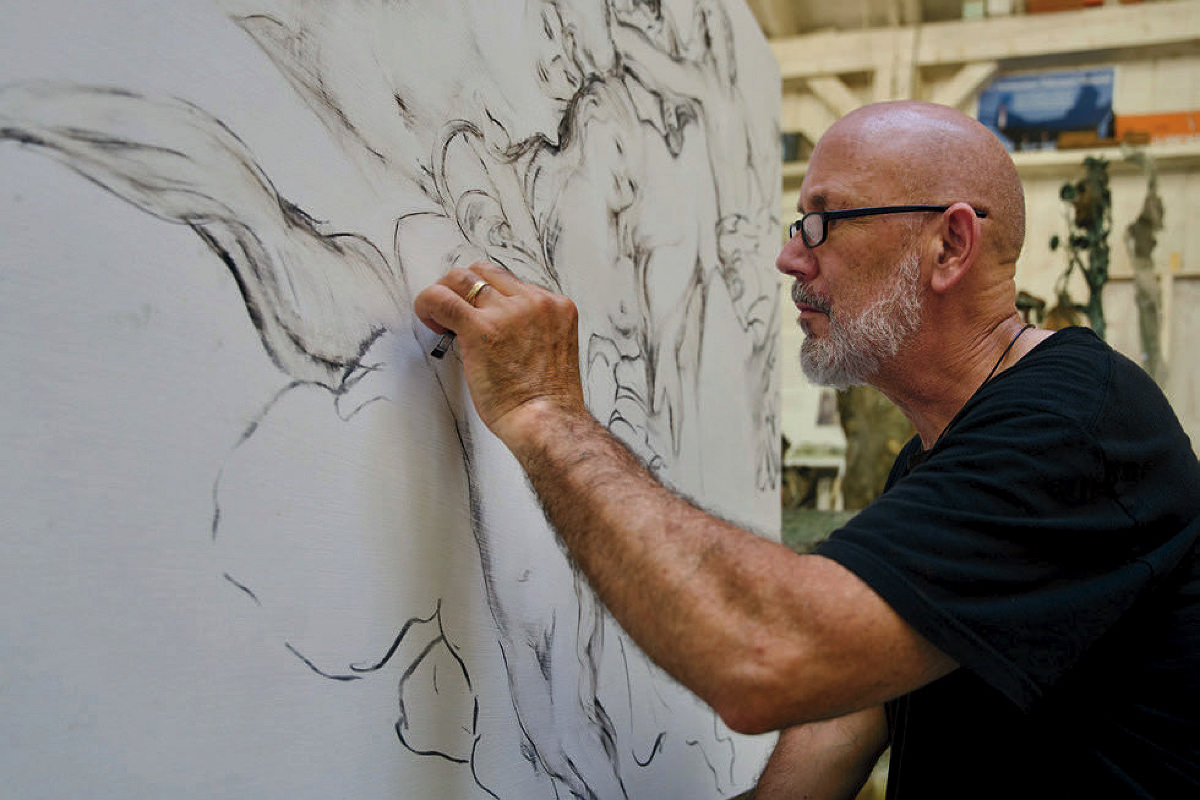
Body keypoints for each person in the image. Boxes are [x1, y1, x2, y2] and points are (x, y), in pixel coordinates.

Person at [413, 101, 1200, 798]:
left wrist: (546, 411)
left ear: (950, 245)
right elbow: (848, 712)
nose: (792, 258)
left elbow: (767, 655)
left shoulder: (1079, 424)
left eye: (824, 221)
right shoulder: (934, 455)